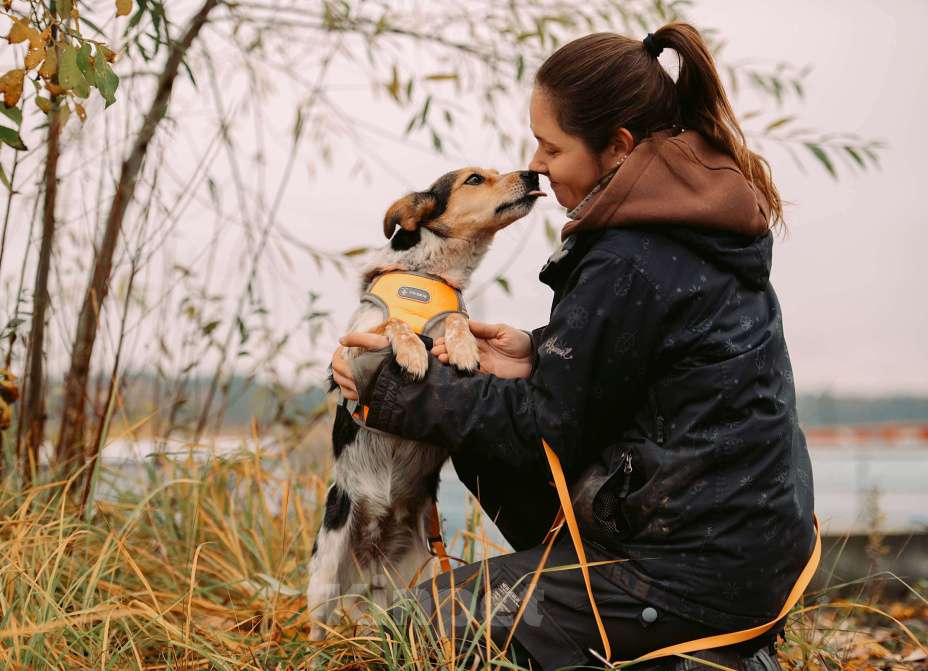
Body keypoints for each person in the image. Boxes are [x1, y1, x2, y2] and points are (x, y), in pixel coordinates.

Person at [331, 22, 815, 671]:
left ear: (615, 146)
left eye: (551, 148)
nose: (535, 165)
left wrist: (386, 386)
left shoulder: (630, 257)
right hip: (728, 550)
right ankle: (670, 643)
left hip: (690, 576)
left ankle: (687, 651)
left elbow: (543, 430)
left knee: (417, 630)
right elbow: (656, 364)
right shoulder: (682, 218)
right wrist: (540, 351)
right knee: (479, 438)